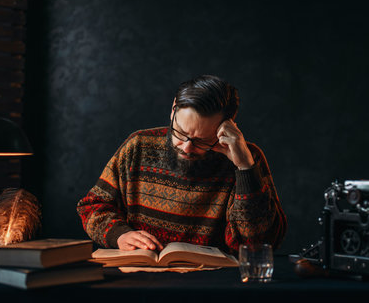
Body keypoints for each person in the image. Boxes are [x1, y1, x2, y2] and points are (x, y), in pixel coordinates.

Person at [77, 75, 287, 253]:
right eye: (181, 132)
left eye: (202, 140)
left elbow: (258, 244)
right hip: (141, 274)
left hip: (215, 284)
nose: (187, 147)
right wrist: (119, 235)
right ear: (173, 109)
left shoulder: (247, 159)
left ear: (229, 126)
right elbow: (92, 206)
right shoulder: (138, 145)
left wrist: (245, 170)